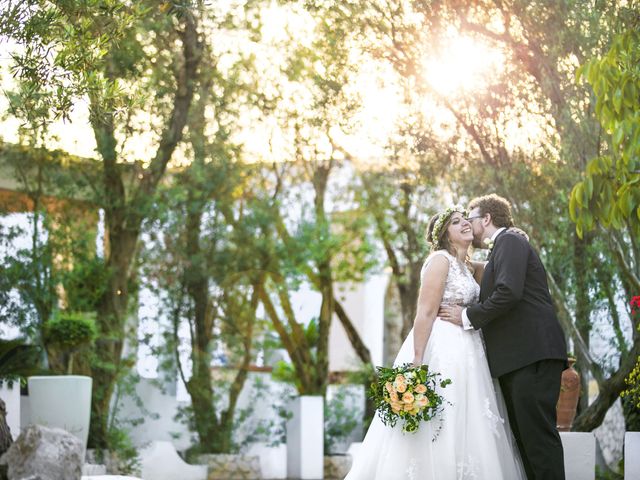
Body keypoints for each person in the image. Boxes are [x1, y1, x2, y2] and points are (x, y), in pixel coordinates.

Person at [344, 206, 525, 480]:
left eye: (465, 219)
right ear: (445, 235)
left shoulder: (468, 267)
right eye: (456, 222)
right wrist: (418, 360)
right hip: (444, 348)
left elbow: (502, 269)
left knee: (472, 419)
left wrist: (516, 237)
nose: (465, 223)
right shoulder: (440, 261)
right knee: (443, 415)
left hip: (472, 351)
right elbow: (425, 312)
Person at [439, 194, 567, 480]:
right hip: (518, 358)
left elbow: (508, 292)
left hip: (531, 354)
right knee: (525, 441)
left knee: (538, 440)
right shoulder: (504, 247)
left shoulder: (510, 240)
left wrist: (466, 316)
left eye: (470, 219)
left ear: (486, 219)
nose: (469, 225)